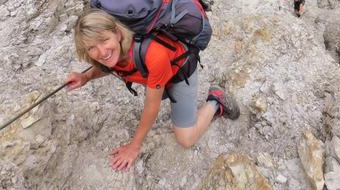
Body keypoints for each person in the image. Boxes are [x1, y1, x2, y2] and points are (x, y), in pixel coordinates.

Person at [65, 9, 240, 172]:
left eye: (104, 41)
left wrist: (134, 147)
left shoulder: (154, 54)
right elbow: (109, 64)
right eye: (91, 48)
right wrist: (85, 77)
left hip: (180, 72)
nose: (102, 52)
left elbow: (151, 107)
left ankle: (215, 100)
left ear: (117, 33)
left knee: (186, 138)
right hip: (158, 74)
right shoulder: (116, 50)